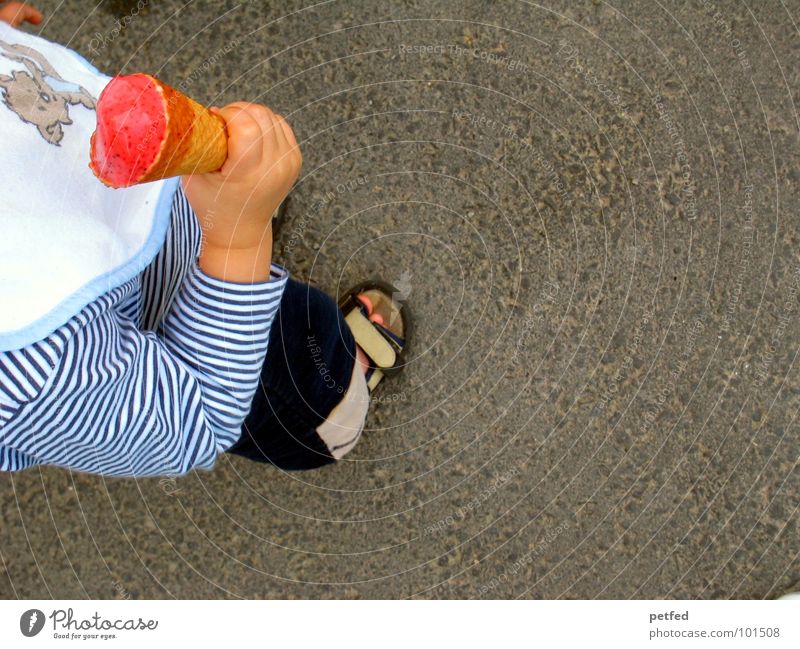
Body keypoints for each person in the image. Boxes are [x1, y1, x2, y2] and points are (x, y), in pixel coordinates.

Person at [0, 3, 409, 476]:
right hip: (191, 336)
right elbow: (197, 418)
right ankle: (337, 403)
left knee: (196, 209)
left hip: (147, 215)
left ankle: (228, 206)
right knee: (303, 364)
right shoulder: (25, 372)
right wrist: (237, 239)